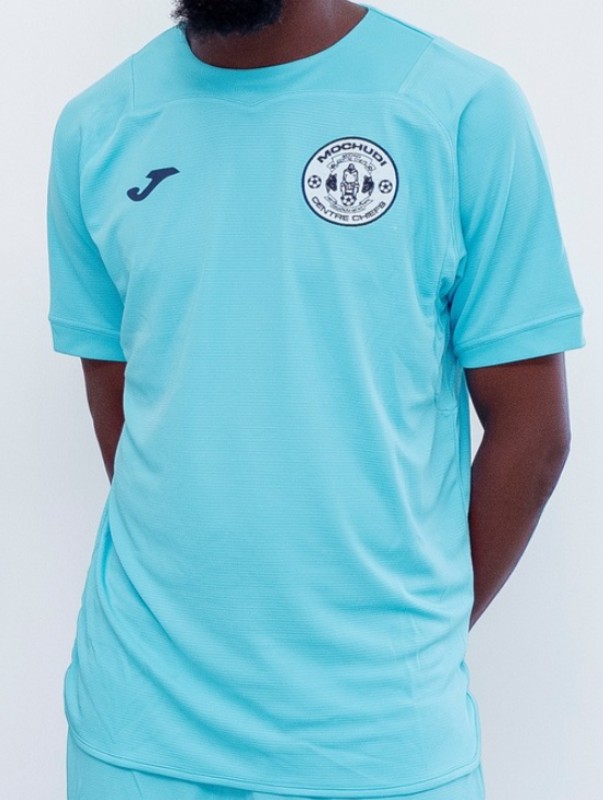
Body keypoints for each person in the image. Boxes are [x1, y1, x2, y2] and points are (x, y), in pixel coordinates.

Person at [46, 1, 586, 798]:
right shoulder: (97, 127)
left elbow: (532, 434)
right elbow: (127, 417)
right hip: (137, 733)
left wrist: (403, 648)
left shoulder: (459, 109)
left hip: (380, 748)